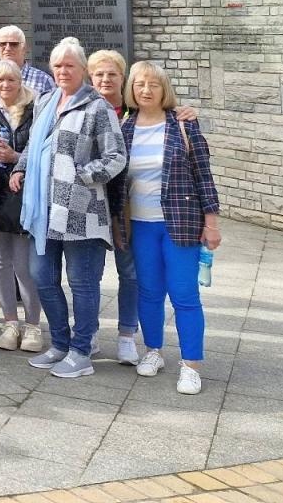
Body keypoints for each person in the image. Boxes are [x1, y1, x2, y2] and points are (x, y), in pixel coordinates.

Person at [10, 37, 126, 380]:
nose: (63, 71)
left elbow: (116, 156)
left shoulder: (97, 107)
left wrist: (81, 175)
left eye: (70, 65)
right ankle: (60, 343)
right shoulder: (45, 100)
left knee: (82, 284)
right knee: (42, 278)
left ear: (83, 70)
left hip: (81, 214)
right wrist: (19, 169)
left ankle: (81, 350)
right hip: (43, 212)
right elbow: (34, 145)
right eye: (58, 65)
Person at [117, 61, 220, 395]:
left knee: (184, 294)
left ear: (165, 90)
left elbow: (204, 175)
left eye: (154, 85)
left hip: (180, 224)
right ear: (131, 89)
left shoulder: (183, 125)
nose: (146, 90)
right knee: (148, 292)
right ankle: (153, 351)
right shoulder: (125, 127)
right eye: (140, 84)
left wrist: (212, 223)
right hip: (140, 225)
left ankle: (191, 365)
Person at [0, 59, 43, 352]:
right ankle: (9, 322)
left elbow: (41, 150)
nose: (4, 86)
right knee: (0, 262)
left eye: (10, 80)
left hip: (25, 192)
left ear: (20, 82)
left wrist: (15, 158)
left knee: (24, 265)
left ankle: (33, 326)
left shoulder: (37, 109)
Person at [87, 48, 141, 364]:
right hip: (91, 204)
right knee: (88, 274)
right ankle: (90, 332)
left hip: (127, 207)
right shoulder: (82, 110)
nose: (106, 79)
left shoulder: (135, 113)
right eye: (99, 74)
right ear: (90, 78)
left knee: (130, 273)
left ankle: (126, 336)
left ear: (123, 77)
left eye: (112, 74)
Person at [0, 25, 55, 100]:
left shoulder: (43, 81)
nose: (8, 48)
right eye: (2, 44)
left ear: (24, 48)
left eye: (14, 44)